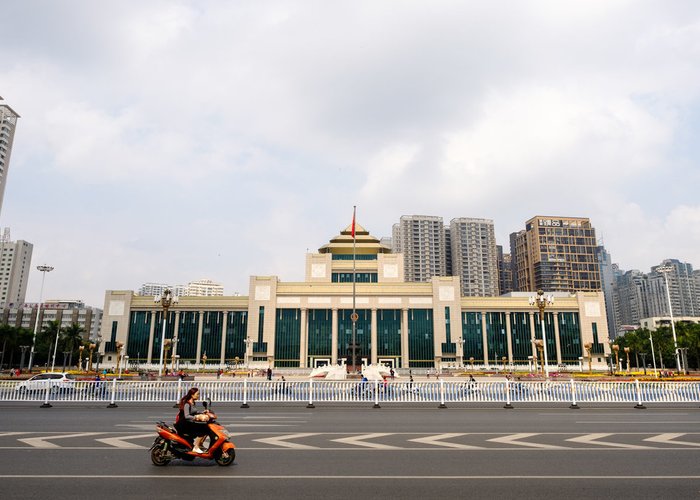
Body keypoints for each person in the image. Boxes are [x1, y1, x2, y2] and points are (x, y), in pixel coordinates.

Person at [175, 387, 211, 453]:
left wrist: (202, 413)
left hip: (189, 422)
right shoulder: (187, 404)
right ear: (192, 395)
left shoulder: (193, 403)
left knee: (208, 427)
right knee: (204, 429)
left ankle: (200, 444)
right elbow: (187, 416)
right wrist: (197, 417)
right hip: (183, 425)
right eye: (197, 394)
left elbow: (194, 413)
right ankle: (196, 447)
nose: (198, 396)